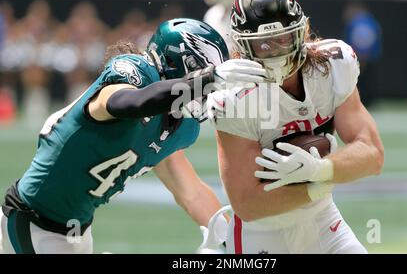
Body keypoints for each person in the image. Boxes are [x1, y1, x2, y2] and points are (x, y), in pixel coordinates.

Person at [0, 18, 266, 254]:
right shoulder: (134, 73)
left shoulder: (179, 125)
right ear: (172, 62)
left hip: (75, 231)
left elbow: (191, 191)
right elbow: (127, 103)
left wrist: (234, 242)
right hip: (32, 220)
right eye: (203, 72)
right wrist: (203, 81)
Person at [207, 0, 384, 254]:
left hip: (324, 221)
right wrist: (315, 187)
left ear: (303, 31)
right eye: (263, 44)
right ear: (243, 46)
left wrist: (320, 170)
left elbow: (372, 154)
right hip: (262, 235)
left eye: (283, 39)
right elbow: (246, 203)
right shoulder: (232, 98)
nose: (276, 52)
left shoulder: (333, 64)